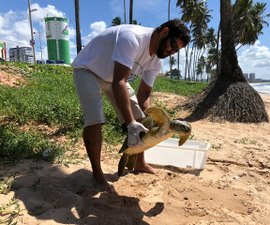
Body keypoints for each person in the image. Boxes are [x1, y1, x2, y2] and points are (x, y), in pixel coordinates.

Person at [72, 19, 190, 192]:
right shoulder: (133, 38)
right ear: (164, 31)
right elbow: (119, 82)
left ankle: (140, 164)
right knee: (95, 120)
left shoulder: (156, 61)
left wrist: (148, 119)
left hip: (113, 78)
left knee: (143, 118)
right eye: (172, 45)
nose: (171, 51)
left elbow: (144, 94)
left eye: (176, 50)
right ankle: (97, 175)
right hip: (88, 70)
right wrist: (130, 124)